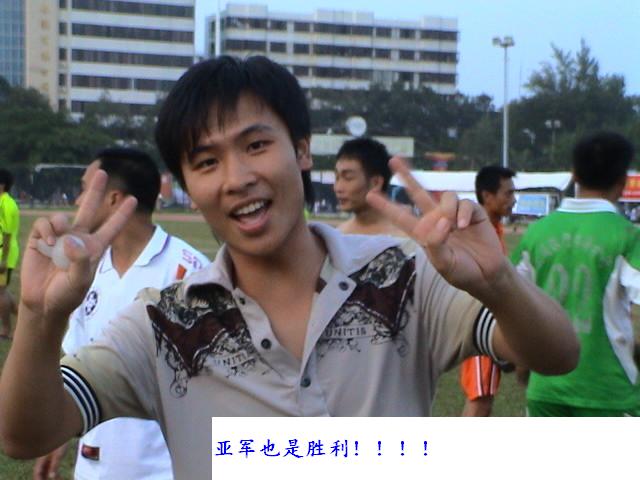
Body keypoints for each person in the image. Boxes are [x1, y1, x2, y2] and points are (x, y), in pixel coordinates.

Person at [0, 56, 579, 478]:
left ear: (301, 150)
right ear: (187, 187)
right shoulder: (165, 324)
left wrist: (499, 282)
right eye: (207, 161)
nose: (237, 178)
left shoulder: (402, 277)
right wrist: (39, 317)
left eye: (256, 145)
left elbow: (557, 353)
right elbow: (23, 434)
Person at [32, 148, 209, 480]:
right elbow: (75, 358)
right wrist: (57, 436)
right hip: (94, 464)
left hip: (162, 469)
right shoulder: (84, 271)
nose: (77, 201)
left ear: (113, 198)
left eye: (84, 189)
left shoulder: (189, 272)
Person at [511, 131, 640, 416]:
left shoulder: (536, 233)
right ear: (622, 181)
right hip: (608, 390)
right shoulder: (628, 236)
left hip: (545, 387)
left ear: (574, 176)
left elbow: (512, 302)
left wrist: (522, 361)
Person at [459, 165, 516, 416]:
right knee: (480, 398)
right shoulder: (478, 234)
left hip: (490, 325)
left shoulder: (495, 229)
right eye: (508, 193)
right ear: (487, 196)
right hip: (479, 327)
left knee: (484, 396)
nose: (513, 200)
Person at [333, 137, 405, 236]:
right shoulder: (337, 235)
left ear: (376, 183)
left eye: (348, 178)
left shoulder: (405, 238)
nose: (338, 188)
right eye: (337, 178)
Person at [0, 168, 19, 340]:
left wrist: (4, 259)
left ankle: (6, 330)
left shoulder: (6, 204)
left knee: (0, 292)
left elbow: (6, 234)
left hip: (4, 254)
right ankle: (25, 319)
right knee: (2, 290)